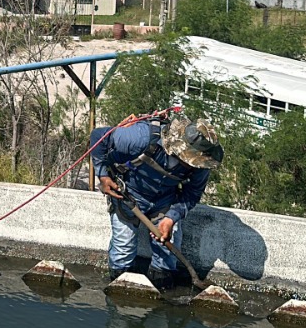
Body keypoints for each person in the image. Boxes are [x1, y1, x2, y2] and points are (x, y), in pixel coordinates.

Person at [89, 111, 223, 290]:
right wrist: (103, 175)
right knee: (124, 245)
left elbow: (192, 195)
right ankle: (116, 283)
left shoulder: (202, 164)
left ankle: (163, 284)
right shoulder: (141, 138)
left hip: (164, 199)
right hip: (128, 194)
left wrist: (170, 218)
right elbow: (98, 137)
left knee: (170, 243)